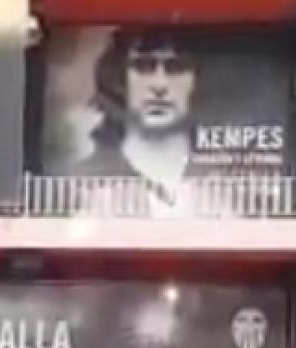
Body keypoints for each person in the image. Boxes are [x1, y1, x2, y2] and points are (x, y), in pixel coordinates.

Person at [70, 28, 201, 216]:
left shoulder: (229, 183)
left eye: (176, 67)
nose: (159, 85)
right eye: (143, 66)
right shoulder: (82, 183)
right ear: (119, 78)